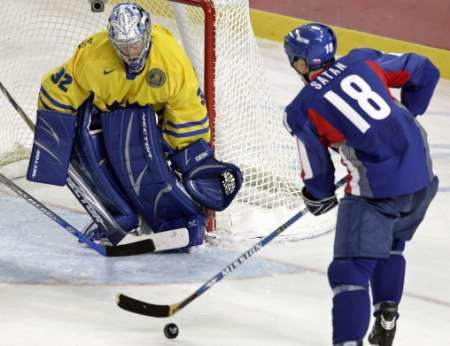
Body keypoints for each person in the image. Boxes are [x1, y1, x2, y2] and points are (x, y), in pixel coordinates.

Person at [26, 3, 242, 250]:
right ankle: (116, 215)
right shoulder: (92, 56)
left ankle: (172, 217)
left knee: (139, 149)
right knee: (90, 147)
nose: (130, 53)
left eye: (135, 45)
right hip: (98, 116)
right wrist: (54, 141)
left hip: (147, 117)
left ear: (147, 35)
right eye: (123, 46)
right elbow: (57, 91)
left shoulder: (170, 59)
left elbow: (186, 111)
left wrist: (193, 159)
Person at [283, 23, 439, 345]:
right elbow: (424, 69)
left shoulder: (301, 110)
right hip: (422, 175)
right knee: (389, 245)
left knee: (349, 270)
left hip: (379, 190)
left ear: (299, 63)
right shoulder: (362, 59)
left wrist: (318, 196)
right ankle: (387, 314)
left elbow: (316, 172)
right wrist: (409, 114)